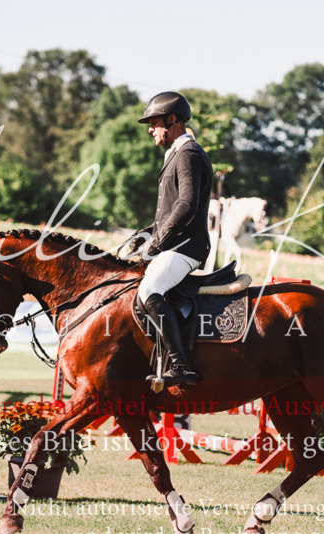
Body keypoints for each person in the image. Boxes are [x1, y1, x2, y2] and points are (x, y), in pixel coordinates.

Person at [129, 91, 213, 386]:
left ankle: (182, 366)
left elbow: (186, 205)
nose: (150, 129)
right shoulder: (177, 154)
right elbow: (167, 212)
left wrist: (157, 242)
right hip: (173, 244)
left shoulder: (188, 154)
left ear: (172, 120)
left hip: (186, 248)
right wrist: (145, 234)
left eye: (154, 123)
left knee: (150, 290)